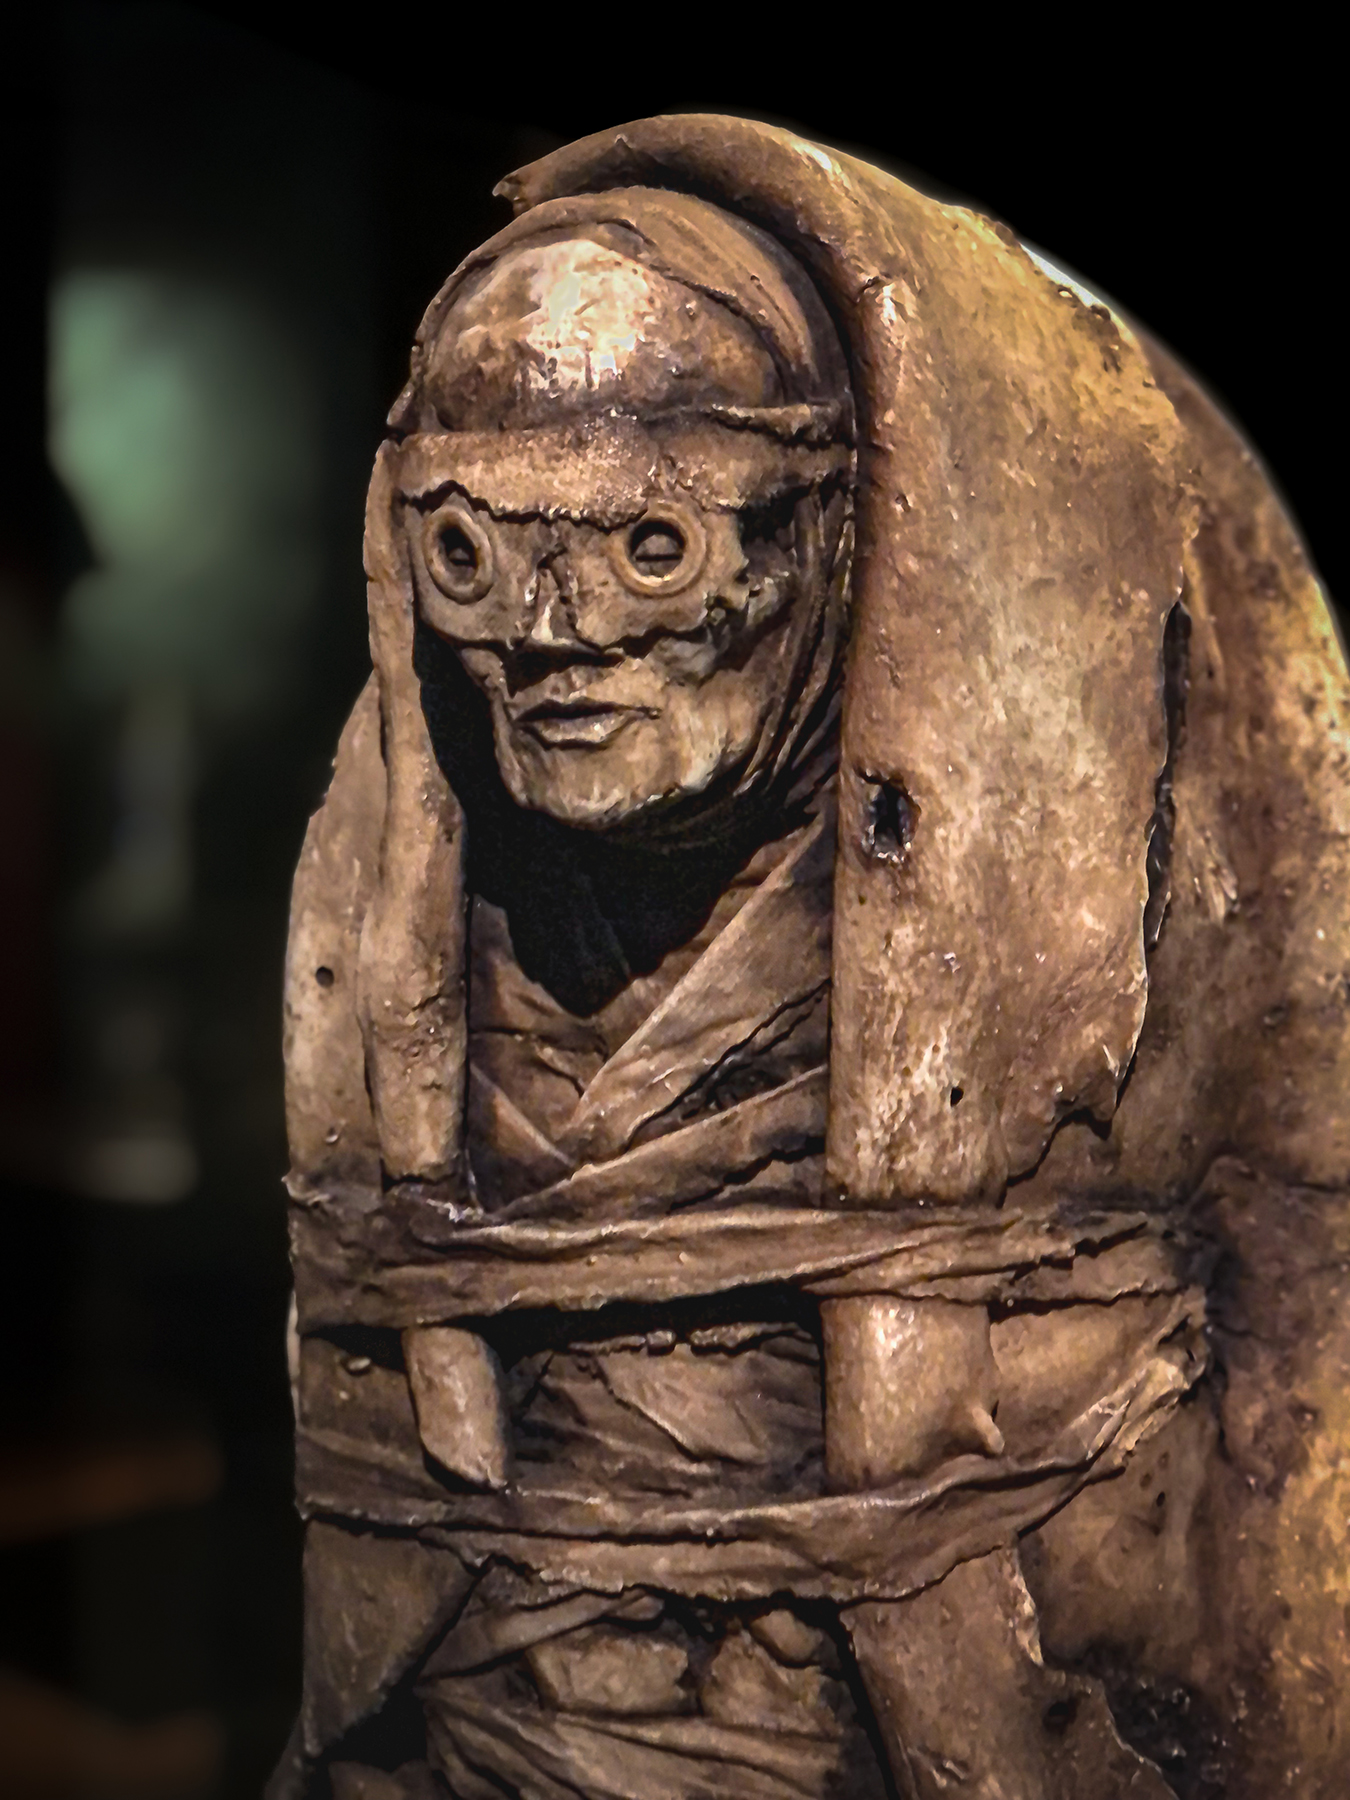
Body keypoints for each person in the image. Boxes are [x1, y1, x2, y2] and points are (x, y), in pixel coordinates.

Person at [277, 118, 1350, 1800]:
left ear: (849, 528)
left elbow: (1289, 1307)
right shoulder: (421, 905)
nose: (550, 634)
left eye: (653, 550)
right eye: (468, 557)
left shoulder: (1125, 883)